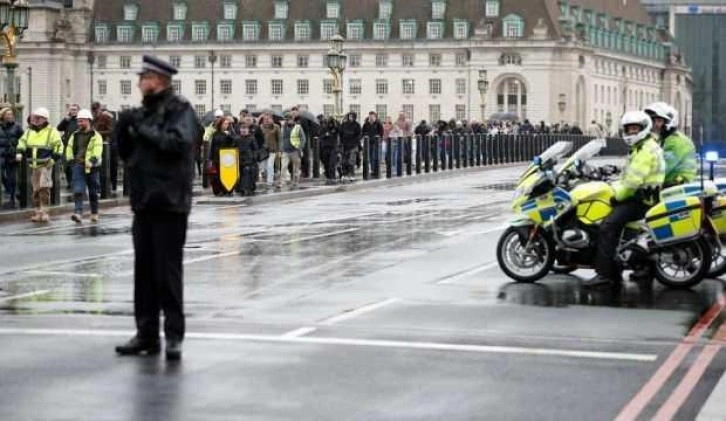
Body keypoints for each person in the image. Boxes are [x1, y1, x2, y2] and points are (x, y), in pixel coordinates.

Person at [114, 55, 199, 361]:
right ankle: (146, 333)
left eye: (144, 77)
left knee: (168, 272)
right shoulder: (141, 114)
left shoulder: (180, 110)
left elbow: (177, 144)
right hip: (144, 201)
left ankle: (174, 334)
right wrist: (122, 130)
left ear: (158, 80)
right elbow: (126, 153)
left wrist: (142, 129)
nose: (139, 83)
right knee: (144, 272)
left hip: (170, 202)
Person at [585, 110, 665, 288]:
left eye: (635, 129)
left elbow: (632, 182)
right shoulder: (643, 146)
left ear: (643, 129)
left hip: (640, 199)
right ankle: (620, 265)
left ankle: (604, 274)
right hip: (644, 197)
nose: (631, 133)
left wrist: (615, 194)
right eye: (628, 130)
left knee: (607, 226)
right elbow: (628, 176)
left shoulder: (645, 150)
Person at [15, 108, 63, 222]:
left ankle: (44, 211)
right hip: (33, 165)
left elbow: (59, 146)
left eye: (38, 118)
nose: (35, 120)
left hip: (46, 164)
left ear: (44, 119)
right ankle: (37, 211)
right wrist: (19, 152)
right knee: (36, 190)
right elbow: (22, 142)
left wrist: (53, 159)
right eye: (34, 117)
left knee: (44, 187)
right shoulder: (29, 131)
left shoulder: (52, 132)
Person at [644, 102, 697, 187]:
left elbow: (662, 167)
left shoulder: (676, 141)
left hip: (678, 185)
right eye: (652, 121)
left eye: (659, 121)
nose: (655, 125)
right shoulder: (662, 139)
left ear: (669, 122)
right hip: (667, 183)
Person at [66, 109, 103, 223]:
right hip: (78, 166)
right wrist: (71, 160)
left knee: (93, 191)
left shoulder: (96, 136)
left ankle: (94, 213)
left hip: (92, 167)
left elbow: (98, 149)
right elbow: (69, 148)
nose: (79, 123)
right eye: (78, 121)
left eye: (81, 121)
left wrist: (92, 161)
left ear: (88, 121)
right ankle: (78, 213)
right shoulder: (75, 135)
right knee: (78, 190)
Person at [208, 117, 237, 196]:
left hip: (226, 157)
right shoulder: (215, 134)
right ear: (220, 124)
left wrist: (229, 135)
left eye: (227, 124)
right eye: (225, 124)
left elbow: (235, 141)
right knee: (218, 174)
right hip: (217, 156)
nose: (226, 125)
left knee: (226, 174)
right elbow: (212, 146)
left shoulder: (230, 133)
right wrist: (210, 158)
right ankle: (220, 190)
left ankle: (228, 189)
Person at [0, 107, 22, 208]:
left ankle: (12, 198)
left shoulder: (17, 126)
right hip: (1, 155)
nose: (10, 116)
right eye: (7, 114)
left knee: (12, 178)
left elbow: (22, 140)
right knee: (2, 177)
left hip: (12, 155)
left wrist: (19, 151)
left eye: (11, 114)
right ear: (3, 116)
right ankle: (8, 193)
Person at [91, 102, 116, 191]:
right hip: (97, 145)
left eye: (95, 110)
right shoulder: (94, 118)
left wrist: (97, 133)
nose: (94, 112)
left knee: (109, 166)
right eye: (93, 110)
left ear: (99, 109)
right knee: (98, 166)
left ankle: (110, 186)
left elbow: (111, 131)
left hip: (107, 145)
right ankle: (99, 186)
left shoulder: (106, 116)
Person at [57, 104, 79, 190]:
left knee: (75, 166)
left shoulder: (79, 121)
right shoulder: (67, 120)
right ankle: (70, 182)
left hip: (76, 147)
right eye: (71, 110)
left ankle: (75, 183)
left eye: (74, 109)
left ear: (78, 111)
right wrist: (64, 121)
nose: (73, 111)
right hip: (67, 146)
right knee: (67, 166)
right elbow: (59, 128)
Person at [281, 115, 306, 189]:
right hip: (285, 150)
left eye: (289, 119)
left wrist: (300, 147)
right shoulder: (283, 127)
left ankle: (295, 181)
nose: (287, 121)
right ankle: (282, 182)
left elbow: (303, 138)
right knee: (283, 167)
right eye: (286, 119)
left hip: (295, 150)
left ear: (293, 119)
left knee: (296, 168)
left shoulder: (298, 127)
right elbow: (282, 138)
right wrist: (281, 147)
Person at [259, 113, 282, 189]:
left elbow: (279, 139)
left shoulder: (276, 127)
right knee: (263, 167)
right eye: (265, 119)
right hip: (263, 150)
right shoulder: (260, 127)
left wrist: (279, 150)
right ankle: (267, 178)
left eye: (268, 119)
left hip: (272, 149)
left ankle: (269, 182)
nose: (267, 121)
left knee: (270, 166)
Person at [237, 124, 259, 196]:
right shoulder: (237, 139)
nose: (243, 131)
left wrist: (254, 157)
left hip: (249, 160)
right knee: (240, 174)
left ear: (248, 130)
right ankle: (241, 187)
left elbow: (255, 149)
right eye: (242, 129)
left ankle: (245, 188)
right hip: (239, 160)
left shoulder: (251, 139)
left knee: (246, 172)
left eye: (245, 129)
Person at [340, 112, 361, 181]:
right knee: (344, 161)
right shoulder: (344, 124)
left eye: (352, 116)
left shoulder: (357, 125)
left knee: (351, 161)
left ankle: (351, 174)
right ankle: (344, 174)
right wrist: (342, 142)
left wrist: (355, 142)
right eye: (349, 116)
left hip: (353, 145)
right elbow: (341, 134)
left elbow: (358, 136)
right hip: (345, 145)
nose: (350, 118)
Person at [361, 111, 383, 177]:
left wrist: (379, 140)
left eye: (372, 117)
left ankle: (375, 170)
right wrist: (365, 136)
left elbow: (381, 133)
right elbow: (362, 132)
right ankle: (372, 169)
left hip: (376, 143)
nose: (371, 118)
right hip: (368, 143)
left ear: (375, 117)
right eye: (370, 116)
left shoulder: (378, 124)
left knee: (374, 156)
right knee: (369, 157)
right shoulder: (366, 124)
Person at [320, 117, 339, 185]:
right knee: (326, 163)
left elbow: (339, 130)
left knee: (332, 163)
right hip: (325, 148)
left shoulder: (335, 128)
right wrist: (325, 135)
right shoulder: (324, 129)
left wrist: (337, 121)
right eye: (329, 123)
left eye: (332, 123)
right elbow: (320, 136)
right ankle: (328, 176)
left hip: (333, 148)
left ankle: (332, 177)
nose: (330, 124)